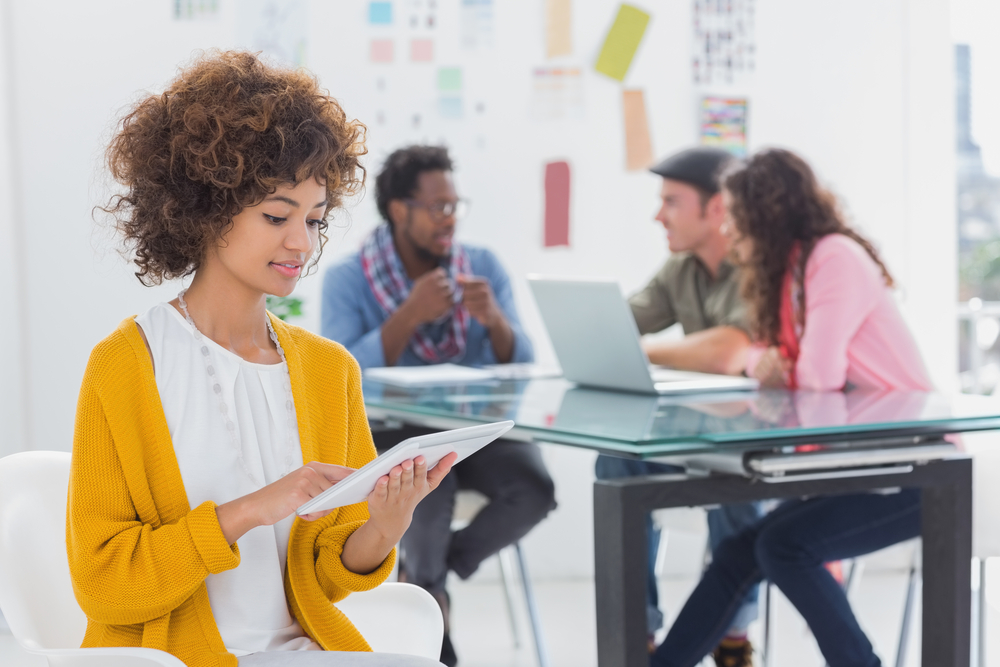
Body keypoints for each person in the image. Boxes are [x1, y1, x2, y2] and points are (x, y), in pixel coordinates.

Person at [67, 51, 454, 667]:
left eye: (315, 219)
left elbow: (328, 580)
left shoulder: (330, 371)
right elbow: (103, 583)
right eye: (277, 215)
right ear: (206, 208)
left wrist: (385, 525)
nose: (301, 243)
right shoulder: (126, 366)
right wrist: (249, 512)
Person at [651, 148, 932, 667]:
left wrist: (774, 364)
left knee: (784, 547)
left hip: (914, 468)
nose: (729, 229)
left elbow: (816, 377)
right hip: (855, 460)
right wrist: (765, 360)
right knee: (742, 550)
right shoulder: (793, 272)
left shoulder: (834, 258)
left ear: (764, 214)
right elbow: (768, 358)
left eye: (735, 215)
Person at [322, 145, 556, 667]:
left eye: (455, 206)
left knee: (535, 489)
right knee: (429, 485)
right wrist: (407, 315)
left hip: (474, 431)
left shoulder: (482, 267)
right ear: (400, 210)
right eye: (438, 207)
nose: (449, 219)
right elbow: (339, 375)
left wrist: (495, 320)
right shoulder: (349, 278)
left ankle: (434, 576)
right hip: (392, 432)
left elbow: (522, 360)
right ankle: (432, 623)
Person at [595, 147, 762, 663]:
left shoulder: (756, 262)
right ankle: (636, 630)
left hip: (766, 444)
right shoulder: (681, 268)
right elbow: (612, 326)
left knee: (738, 478)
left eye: (671, 201)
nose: (658, 214)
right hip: (699, 434)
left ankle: (732, 633)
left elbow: (729, 351)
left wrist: (640, 350)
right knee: (618, 460)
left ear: (717, 209)